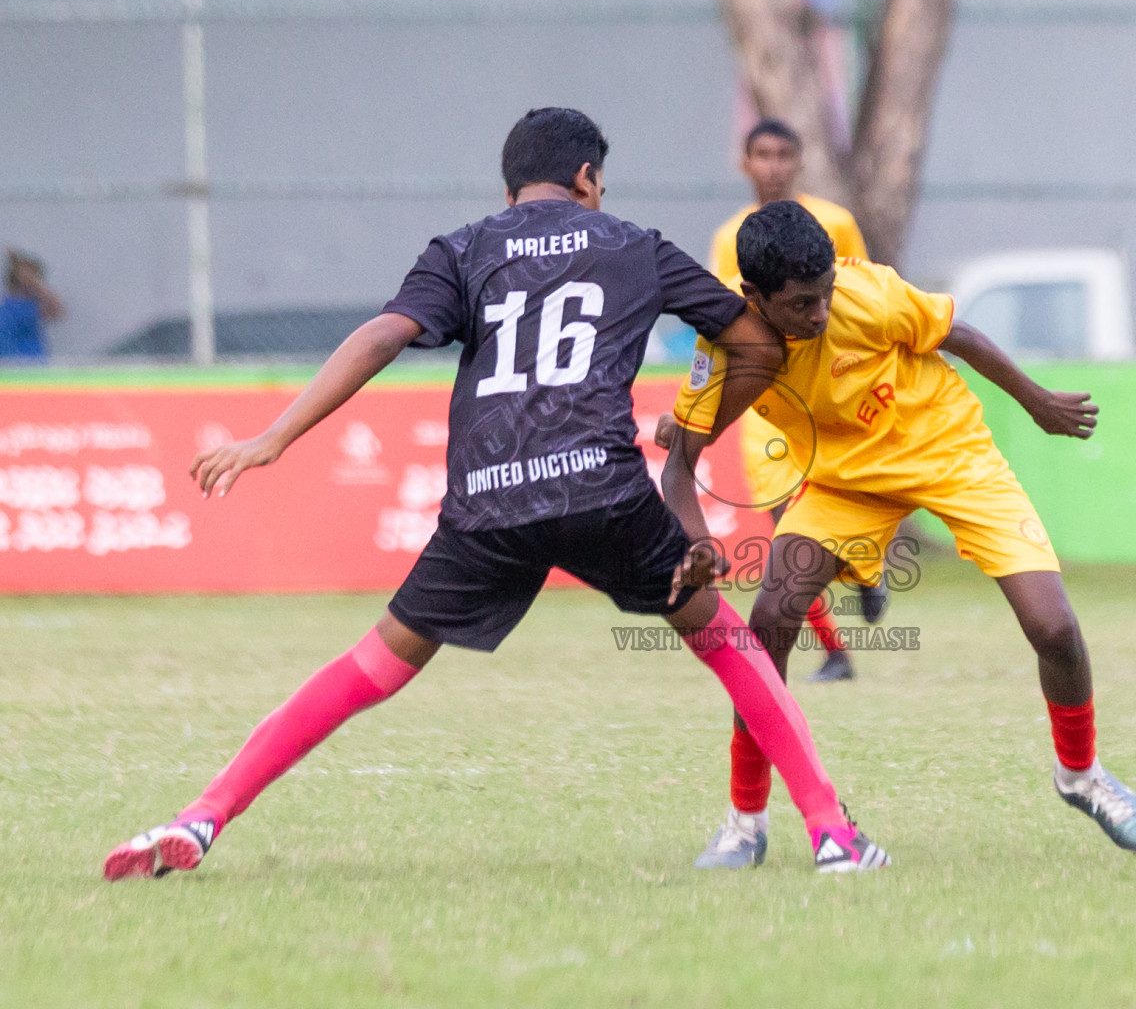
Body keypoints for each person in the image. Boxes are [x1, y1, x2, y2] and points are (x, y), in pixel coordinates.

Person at [103, 109, 888, 880]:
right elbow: (754, 342)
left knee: (371, 664)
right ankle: (831, 835)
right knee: (730, 645)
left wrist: (271, 438)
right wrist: (689, 434)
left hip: (488, 501)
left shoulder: (463, 248)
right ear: (587, 177)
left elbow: (383, 336)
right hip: (601, 489)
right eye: (600, 182)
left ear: (511, 185)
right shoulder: (635, 247)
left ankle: (202, 815)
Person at [661, 201, 1136, 869]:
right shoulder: (723, 338)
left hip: (951, 456)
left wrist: (1035, 400)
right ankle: (744, 823)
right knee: (769, 622)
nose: (818, 314)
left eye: (824, 298)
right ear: (752, 296)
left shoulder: (866, 290)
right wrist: (696, 539)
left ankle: (1082, 777)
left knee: (1054, 628)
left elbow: (960, 334)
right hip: (842, 482)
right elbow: (680, 461)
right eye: (800, 305)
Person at [705, 118, 876, 685]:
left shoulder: (835, 222)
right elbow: (723, 317)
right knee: (786, 530)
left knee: (850, 504)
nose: (773, 165)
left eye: (783, 154)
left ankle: (864, 573)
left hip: (834, 392)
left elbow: (863, 289)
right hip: (766, 404)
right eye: (762, 154)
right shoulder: (731, 236)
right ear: (744, 162)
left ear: (799, 161)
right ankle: (836, 653)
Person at [0, 249, 66, 359]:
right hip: (5, 361)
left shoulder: (36, 303)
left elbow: (57, 311)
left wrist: (35, 283)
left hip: (31, 362)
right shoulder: (5, 301)